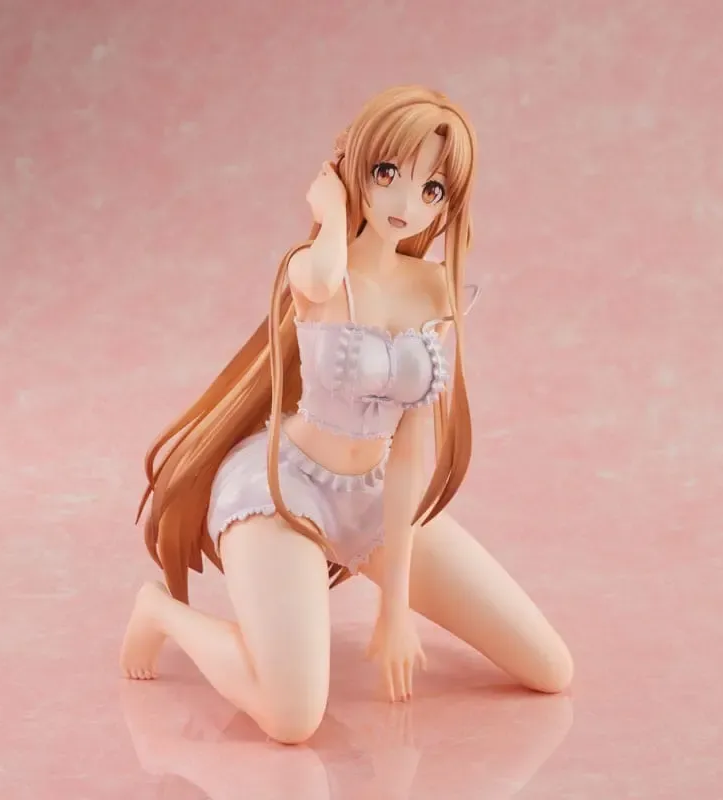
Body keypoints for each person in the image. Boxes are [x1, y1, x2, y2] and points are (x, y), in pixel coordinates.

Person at [120, 85, 573, 745]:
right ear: (353, 167)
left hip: (375, 495)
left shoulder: (434, 289)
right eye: (387, 174)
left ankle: (320, 589)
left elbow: (412, 444)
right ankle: (159, 612)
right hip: (285, 494)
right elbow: (325, 274)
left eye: (432, 190)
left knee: (551, 667)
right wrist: (330, 209)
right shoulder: (314, 270)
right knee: (291, 718)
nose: (406, 205)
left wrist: (395, 604)